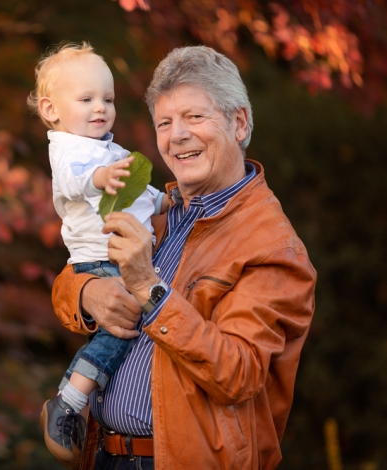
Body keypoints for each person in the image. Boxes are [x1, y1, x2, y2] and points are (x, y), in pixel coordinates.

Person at [51, 45, 317, 470]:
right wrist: (89, 292)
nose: (177, 135)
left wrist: (147, 287)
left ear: (239, 121)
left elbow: (239, 374)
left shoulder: (271, 246)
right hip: (102, 453)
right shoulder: (157, 213)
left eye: (195, 117)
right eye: (165, 122)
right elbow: (68, 278)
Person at [26, 42, 168, 468]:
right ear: (52, 110)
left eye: (107, 99)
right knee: (120, 327)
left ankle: (76, 401)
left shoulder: (106, 148)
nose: (100, 108)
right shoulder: (69, 149)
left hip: (117, 255)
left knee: (126, 326)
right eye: (86, 99)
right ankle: (68, 402)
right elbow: (78, 181)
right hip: (99, 259)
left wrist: (163, 201)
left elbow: (136, 191)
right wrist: (101, 176)